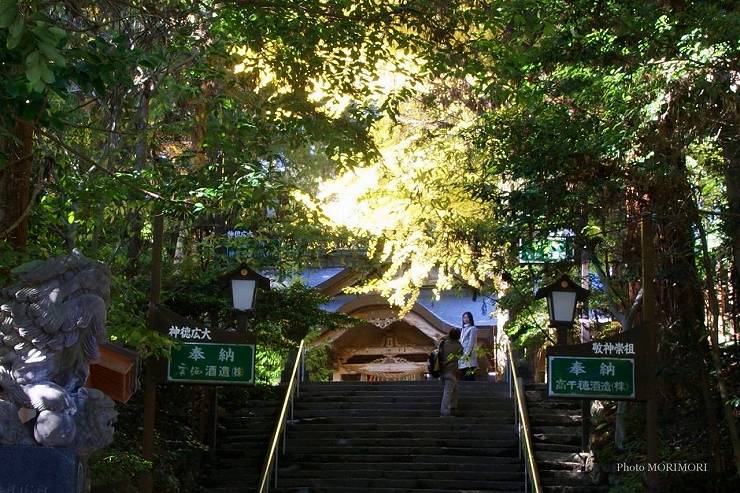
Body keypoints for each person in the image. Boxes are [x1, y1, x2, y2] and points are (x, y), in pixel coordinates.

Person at [440, 328, 462, 417]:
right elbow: (461, 355)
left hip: (442, 370)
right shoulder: (458, 346)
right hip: (450, 371)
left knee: (455, 389)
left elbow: (441, 339)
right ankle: (445, 412)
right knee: (448, 392)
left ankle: (453, 407)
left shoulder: (444, 343)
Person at [458, 311, 478, 381]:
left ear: (470, 318)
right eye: (464, 317)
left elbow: (471, 342)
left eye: (467, 317)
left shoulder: (473, 328)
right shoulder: (463, 329)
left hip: (469, 353)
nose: (465, 319)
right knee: (463, 372)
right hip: (462, 352)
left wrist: (467, 353)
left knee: (469, 371)